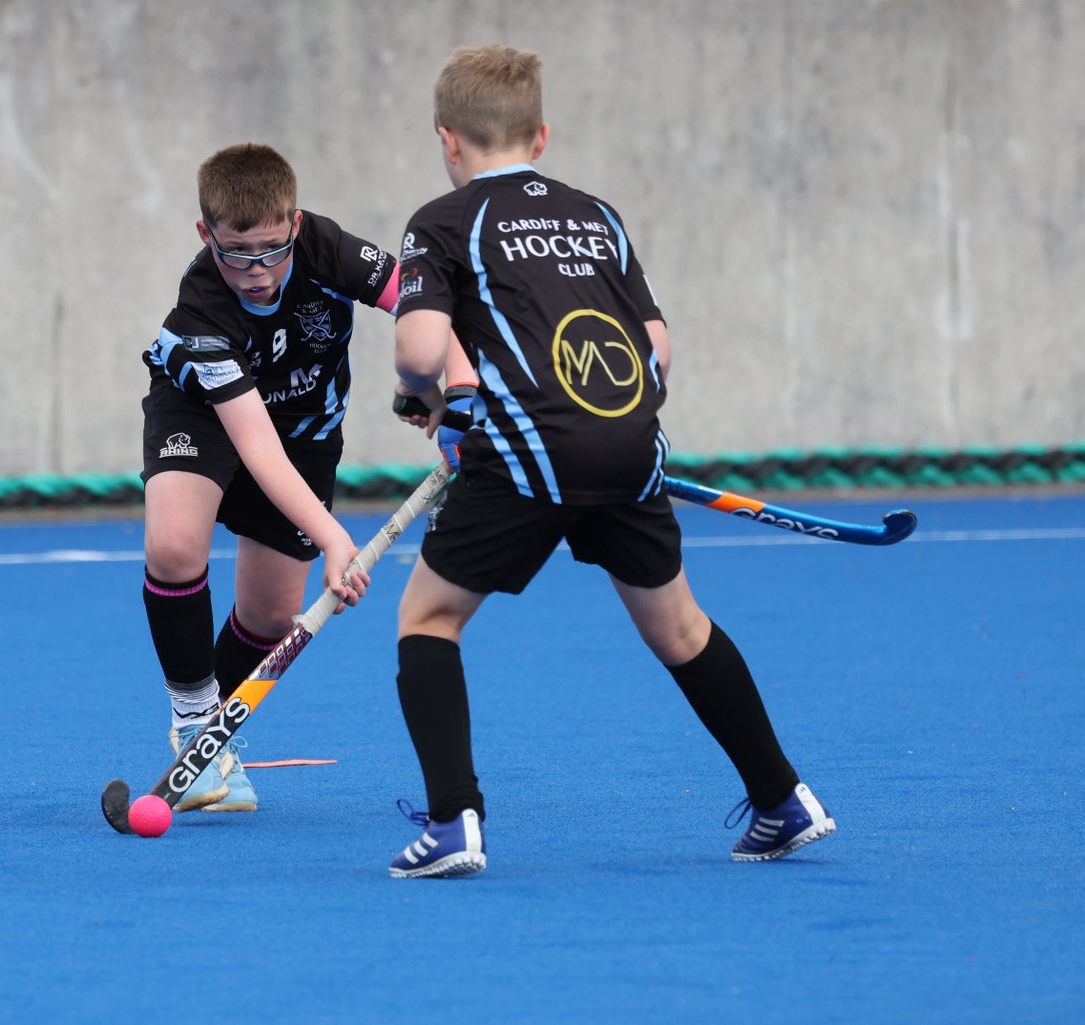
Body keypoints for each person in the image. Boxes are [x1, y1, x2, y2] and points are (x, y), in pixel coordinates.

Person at [388, 45, 835, 877]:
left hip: (528, 454)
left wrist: (435, 403)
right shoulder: (597, 215)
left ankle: (453, 822)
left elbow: (419, 351)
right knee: (680, 627)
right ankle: (782, 798)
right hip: (629, 443)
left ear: (449, 142)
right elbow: (657, 350)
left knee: (429, 618)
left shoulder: (441, 222)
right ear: (542, 135)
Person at [140, 142, 397, 813]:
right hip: (205, 415)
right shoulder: (203, 307)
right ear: (206, 235)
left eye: (273, 250)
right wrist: (336, 536)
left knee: (271, 613)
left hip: (306, 430)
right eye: (237, 253)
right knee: (172, 544)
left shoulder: (330, 251)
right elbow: (256, 447)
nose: (257, 272)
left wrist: (451, 381)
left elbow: (421, 301)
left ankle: (216, 739)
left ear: (296, 223)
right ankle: (195, 725)